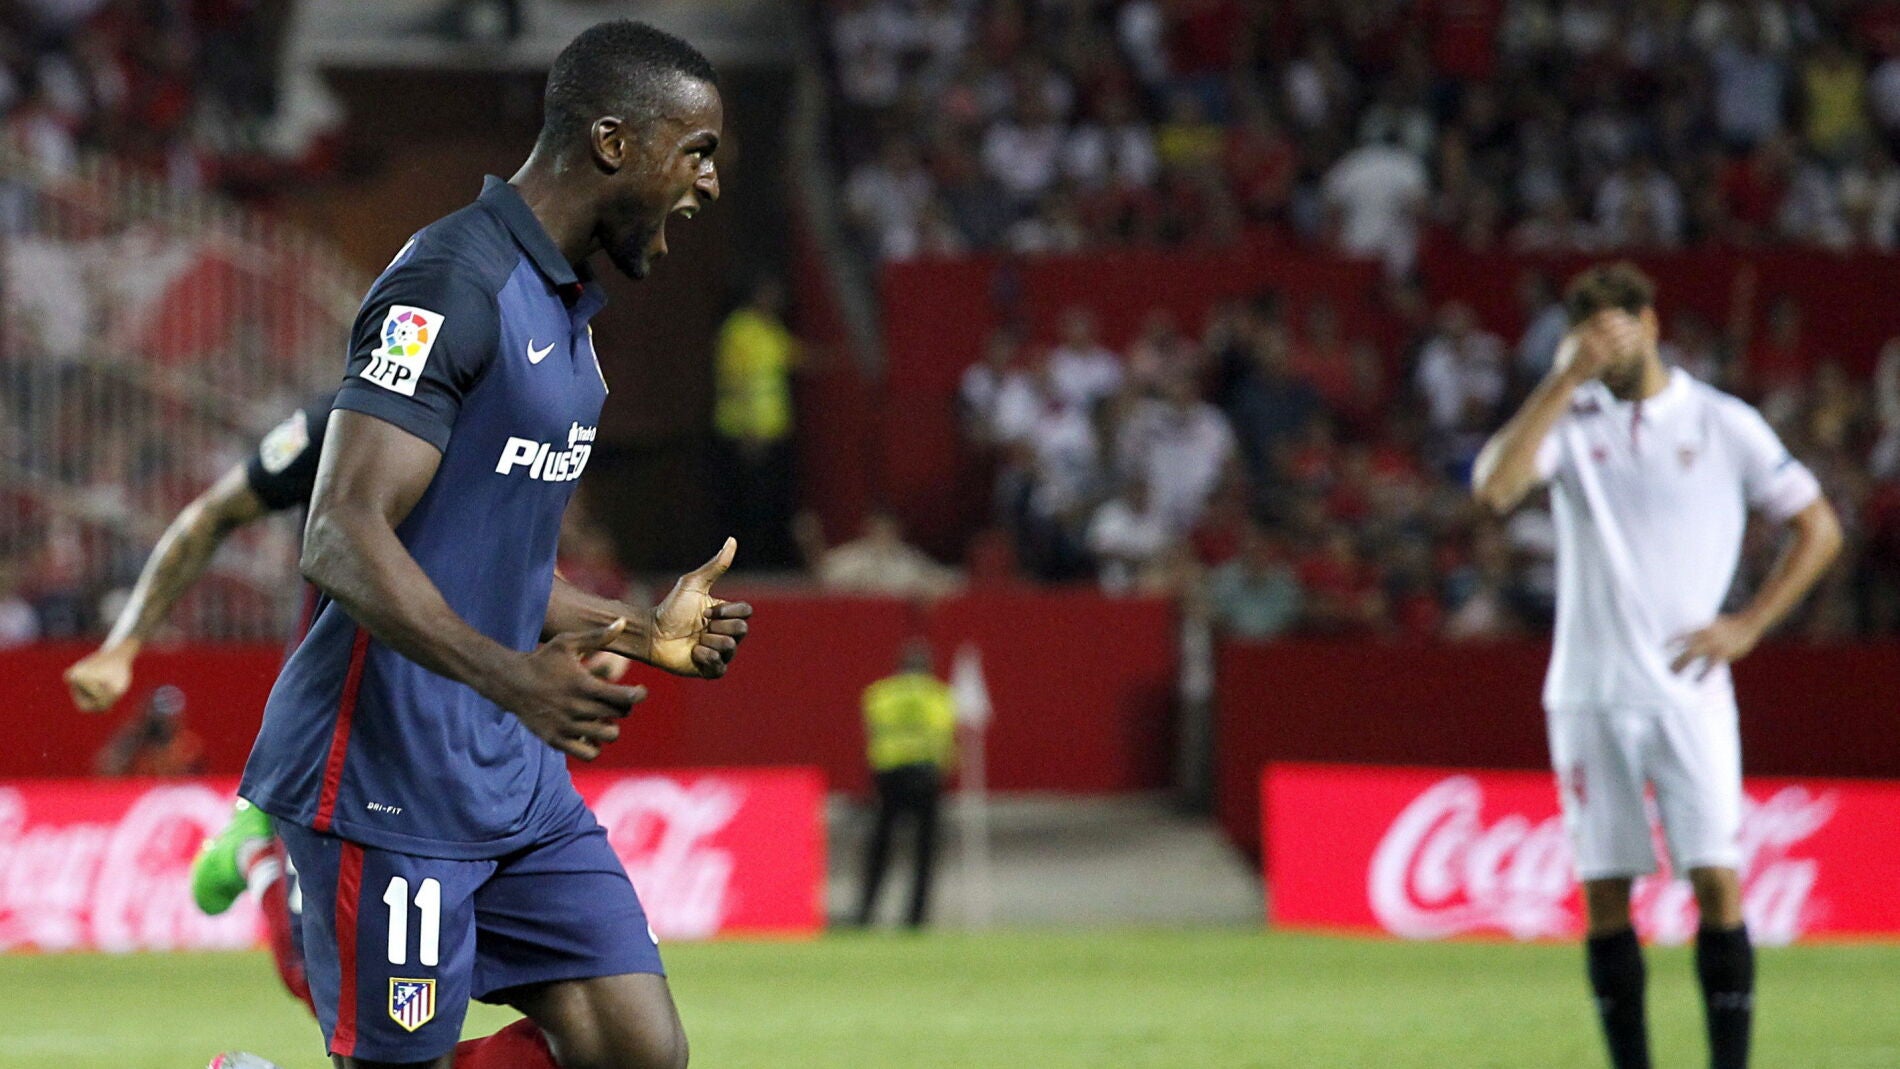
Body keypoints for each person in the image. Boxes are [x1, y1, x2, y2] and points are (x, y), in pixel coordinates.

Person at [232, 21, 751, 1069]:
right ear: (614, 141)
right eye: (692, 151)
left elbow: (500, 568)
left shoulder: (567, 317)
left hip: (509, 779)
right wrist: (512, 680)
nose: (707, 182)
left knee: (640, 1052)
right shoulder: (449, 283)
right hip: (387, 779)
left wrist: (642, 632)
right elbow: (338, 534)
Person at [1472, 262, 1842, 1069]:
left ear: (1650, 321)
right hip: (1588, 693)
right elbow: (1496, 490)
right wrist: (1562, 380)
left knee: (1716, 880)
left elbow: (1817, 526)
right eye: (1587, 336)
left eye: (1613, 329)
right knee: (1605, 891)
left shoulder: (1721, 423)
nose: (1603, 348)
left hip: (1690, 692)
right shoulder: (1569, 423)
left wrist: (1749, 623)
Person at [66, 393, 336, 1013]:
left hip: (460, 730)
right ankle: (254, 847)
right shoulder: (340, 424)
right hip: (331, 732)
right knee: (324, 981)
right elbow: (212, 514)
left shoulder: (508, 439)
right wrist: (124, 644)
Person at [855, 639, 956, 929]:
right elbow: (948, 735)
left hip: (889, 777)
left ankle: (866, 912)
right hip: (927, 778)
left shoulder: (880, 695)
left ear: (899, 667)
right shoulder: (941, 696)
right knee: (925, 851)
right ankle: (916, 917)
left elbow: (872, 733)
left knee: (881, 848)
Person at [712, 275, 801, 566]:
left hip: (772, 431)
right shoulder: (738, 330)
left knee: (769, 504)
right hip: (744, 434)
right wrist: (749, 431)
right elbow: (735, 380)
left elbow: (791, 356)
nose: (776, 300)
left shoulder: (770, 328)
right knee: (745, 505)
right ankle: (742, 565)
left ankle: (768, 561)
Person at [94, 684, 206, 776]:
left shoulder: (188, 745)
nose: (163, 723)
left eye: (170, 716)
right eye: (159, 716)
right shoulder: (131, 740)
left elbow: (196, 780)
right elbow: (107, 770)